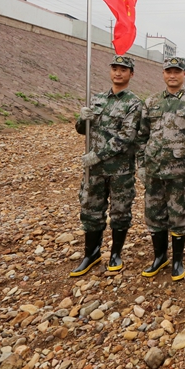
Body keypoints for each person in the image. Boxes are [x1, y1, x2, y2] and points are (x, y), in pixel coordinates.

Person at [70, 55, 143, 277]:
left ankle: (115, 254)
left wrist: (98, 155)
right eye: (114, 68)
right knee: (90, 210)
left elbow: (126, 137)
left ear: (131, 74)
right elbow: (82, 130)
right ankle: (91, 254)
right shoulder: (97, 98)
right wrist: (82, 119)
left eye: (123, 69)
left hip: (120, 170)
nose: (118, 73)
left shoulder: (134, 104)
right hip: (94, 170)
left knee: (120, 212)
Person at [137, 57, 185, 281]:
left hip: (180, 172)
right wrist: (141, 164)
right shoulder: (151, 102)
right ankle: (160, 257)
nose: (172, 75)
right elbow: (142, 136)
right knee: (154, 214)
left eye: (177, 71)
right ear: (163, 74)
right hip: (154, 170)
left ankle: (177, 260)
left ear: (184, 74)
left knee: (179, 214)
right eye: (169, 71)